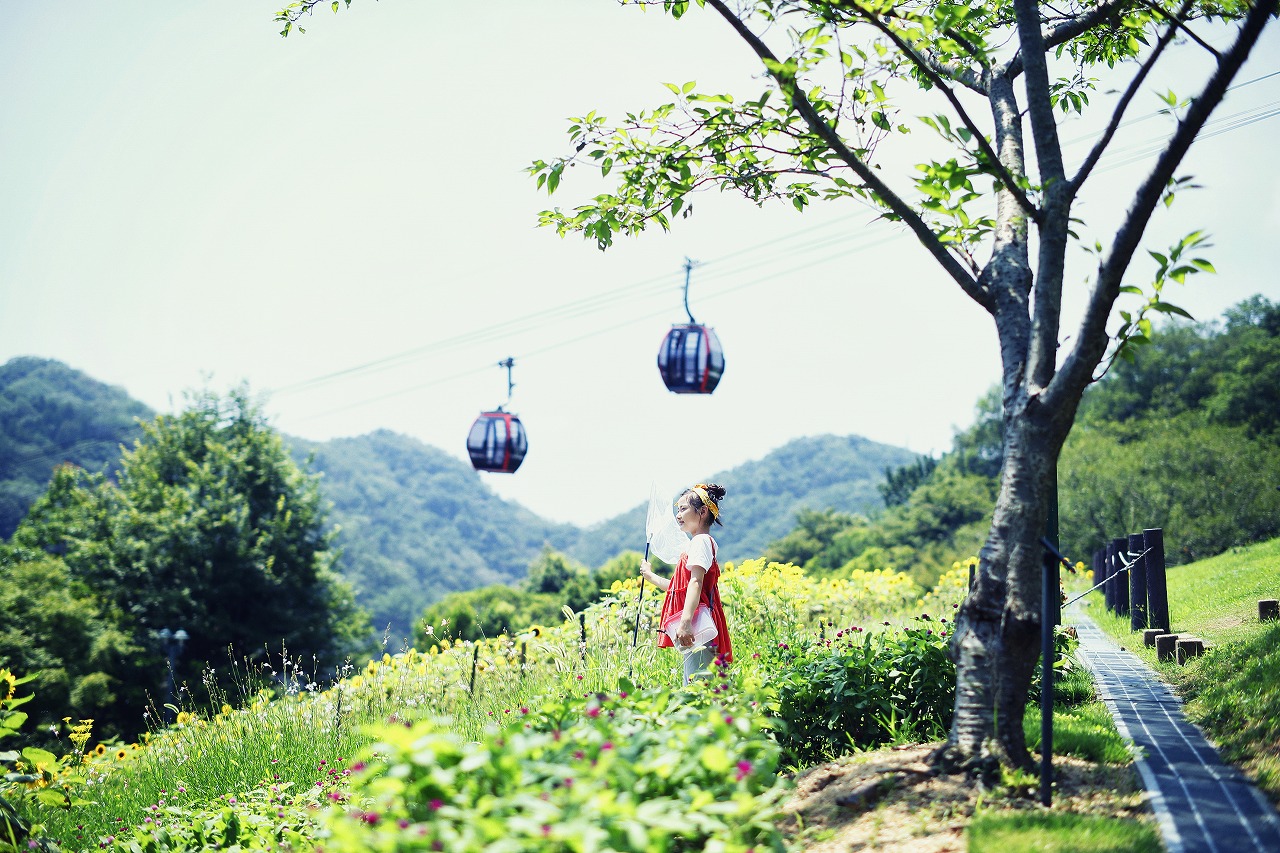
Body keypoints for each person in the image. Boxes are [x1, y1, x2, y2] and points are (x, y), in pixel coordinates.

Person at [639, 483, 733, 685]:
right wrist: (650, 576)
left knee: (698, 688)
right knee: (703, 685)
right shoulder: (698, 543)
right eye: (677, 510)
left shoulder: (700, 542)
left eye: (683, 509)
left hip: (697, 624)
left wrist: (685, 621)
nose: (678, 515)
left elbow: (696, 582)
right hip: (700, 623)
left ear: (702, 511)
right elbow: (677, 588)